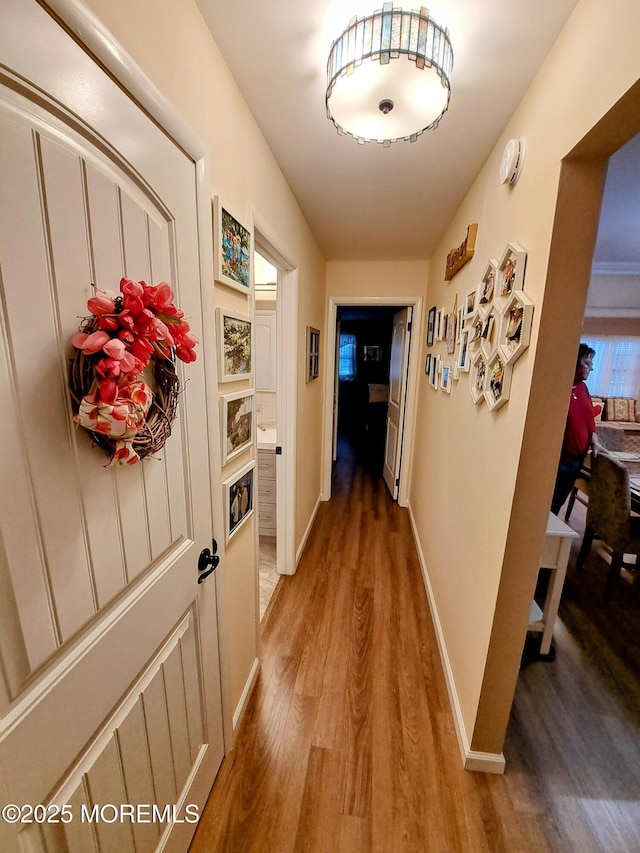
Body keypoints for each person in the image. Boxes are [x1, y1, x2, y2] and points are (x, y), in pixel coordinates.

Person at [551, 343, 601, 515]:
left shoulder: (583, 388)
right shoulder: (558, 390)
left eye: (591, 364)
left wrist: (593, 437)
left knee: (560, 500)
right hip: (561, 458)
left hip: (578, 458)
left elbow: (588, 418)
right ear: (574, 362)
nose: (591, 368)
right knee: (551, 501)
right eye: (587, 363)